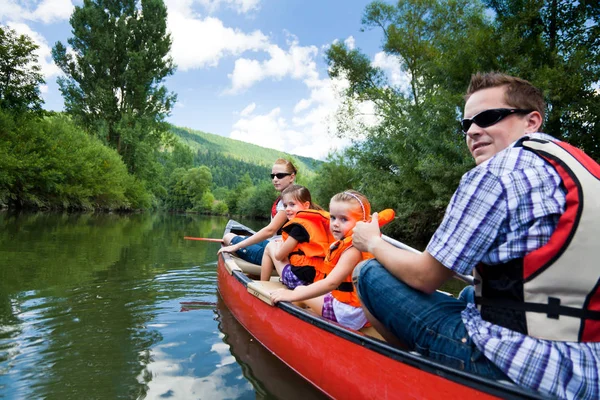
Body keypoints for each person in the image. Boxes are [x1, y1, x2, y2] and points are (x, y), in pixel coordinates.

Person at [352, 72, 600, 400]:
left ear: (531, 121)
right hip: (589, 367)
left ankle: (417, 378)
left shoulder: (495, 173)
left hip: (521, 369)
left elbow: (425, 277)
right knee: (470, 297)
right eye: (466, 124)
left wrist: (373, 242)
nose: (472, 131)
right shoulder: (585, 170)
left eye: (488, 117)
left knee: (366, 273)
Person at [271, 191, 394, 330]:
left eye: (344, 219)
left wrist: (292, 294)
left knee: (299, 289)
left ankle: (290, 324)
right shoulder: (362, 244)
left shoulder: (352, 250)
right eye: (333, 217)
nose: (335, 224)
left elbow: (332, 282)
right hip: (358, 311)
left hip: (347, 314)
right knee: (311, 291)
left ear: (362, 222)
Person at [218, 158, 297, 265]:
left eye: (280, 175)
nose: (275, 179)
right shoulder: (295, 196)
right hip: (277, 245)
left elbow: (270, 231)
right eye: (272, 176)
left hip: (279, 253)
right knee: (236, 237)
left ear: (292, 177)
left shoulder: (289, 203)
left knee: (228, 237)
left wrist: (236, 246)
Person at [260, 185, 332, 289]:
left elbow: (279, 256)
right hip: (319, 278)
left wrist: (280, 246)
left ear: (306, 205)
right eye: (285, 206)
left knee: (270, 246)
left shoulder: (298, 228)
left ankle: (262, 286)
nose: (288, 209)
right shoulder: (317, 222)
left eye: (292, 205)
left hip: (298, 280)